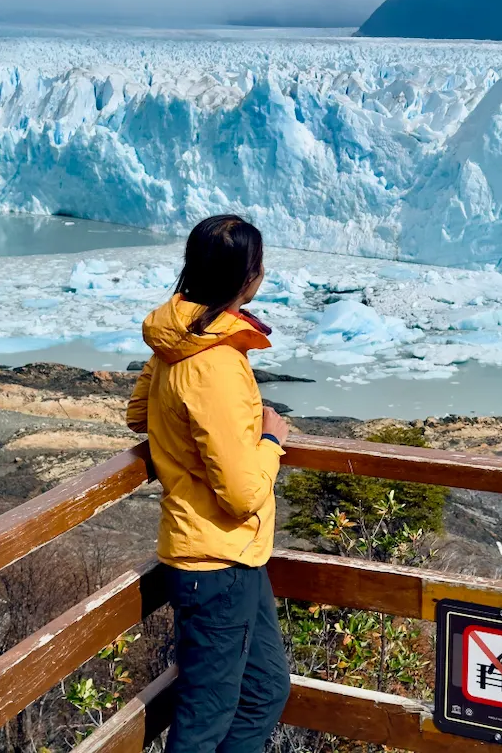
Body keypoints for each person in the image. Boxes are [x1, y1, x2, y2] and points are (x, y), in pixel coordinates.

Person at [126, 215, 291, 753]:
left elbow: (136, 415)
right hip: (216, 562)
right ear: (248, 278)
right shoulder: (215, 362)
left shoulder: (179, 342)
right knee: (205, 719)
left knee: (264, 690)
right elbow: (243, 493)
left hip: (230, 558)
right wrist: (269, 440)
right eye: (258, 266)